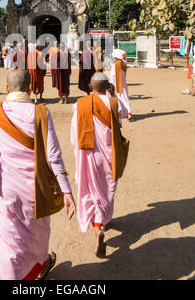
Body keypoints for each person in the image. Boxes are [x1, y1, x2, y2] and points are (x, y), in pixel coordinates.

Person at [0, 69, 76, 280]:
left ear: (6, 89)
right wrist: (66, 190)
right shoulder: (41, 113)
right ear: (31, 87)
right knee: (36, 237)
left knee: (8, 244)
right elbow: (54, 156)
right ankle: (39, 265)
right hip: (35, 191)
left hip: (3, 190)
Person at [71, 72, 129, 257]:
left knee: (91, 189)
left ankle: (98, 229)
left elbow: (75, 133)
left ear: (90, 87)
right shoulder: (114, 103)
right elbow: (118, 123)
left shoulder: (80, 105)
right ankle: (104, 219)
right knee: (107, 188)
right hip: (109, 153)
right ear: (107, 86)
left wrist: (77, 152)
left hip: (88, 154)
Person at [110, 48, 132, 121]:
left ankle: (120, 112)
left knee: (117, 97)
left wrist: (111, 85)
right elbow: (124, 74)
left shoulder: (115, 64)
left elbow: (112, 75)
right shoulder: (124, 63)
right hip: (123, 83)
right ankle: (129, 113)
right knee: (125, 97)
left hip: (115, 84)